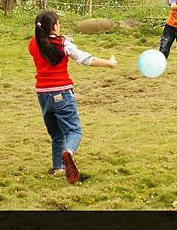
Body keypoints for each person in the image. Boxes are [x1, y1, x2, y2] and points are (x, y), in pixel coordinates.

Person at [28, 11, 117, 184]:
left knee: (56, 134)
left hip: (43, 94)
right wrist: (109, 63)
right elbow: (86, 59)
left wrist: (61, 39)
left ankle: (58, 168)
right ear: (54, 27)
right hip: (62, 93)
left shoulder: (33, 44)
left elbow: (47, 43)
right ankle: (68, 152)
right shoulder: (63, 44)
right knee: (74, 131)